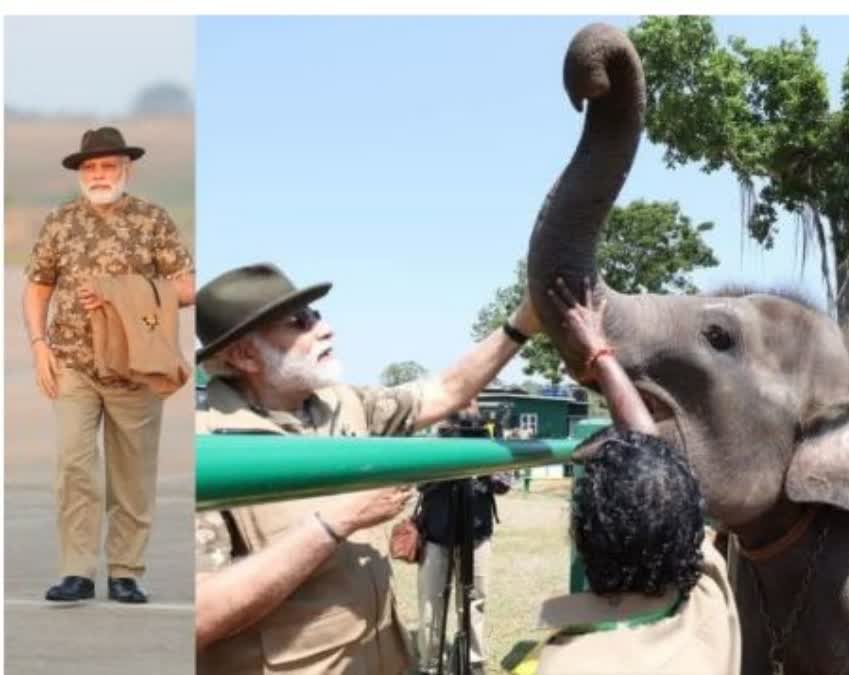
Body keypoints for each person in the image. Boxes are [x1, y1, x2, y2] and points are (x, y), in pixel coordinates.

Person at [192, 262, 541, 674]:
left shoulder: (346, 405)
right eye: (299, 322)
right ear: (245, 355)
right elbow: (199, 617)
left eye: (316, 315)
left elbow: (445, 390)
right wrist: (334, 524)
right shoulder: (203, 447)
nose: (324, 328)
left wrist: (523, 323)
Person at [512, 278, 740, 675]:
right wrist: (601, 353)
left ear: (583, 537)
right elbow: (647, 445)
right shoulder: (710, 595)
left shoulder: (568, 664)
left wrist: (596, 353)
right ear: (687, 527)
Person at [23, 126, 195, 604]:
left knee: (132, 475)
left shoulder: (151, 221)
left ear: (127, 169)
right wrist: (39, 344)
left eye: (108, 166)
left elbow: (186, 286)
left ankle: (125, 571)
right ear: (81, 172)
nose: (99, 174)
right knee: (74, 467)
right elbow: (38, 286)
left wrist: (124, 292)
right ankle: (77, 571)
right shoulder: (60, 222)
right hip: (73, 364)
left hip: (135, 367)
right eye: (90, 167)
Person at [414, 410, 512, 675]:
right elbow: (418, 481)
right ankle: (430, 664)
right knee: (431, 602)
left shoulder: (489, 448)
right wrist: (446, 463)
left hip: (477, 537)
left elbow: (505, 483)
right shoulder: (434, 448)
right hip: (437, 536)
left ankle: (474, 662)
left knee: (475, 600)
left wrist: (482, 466)